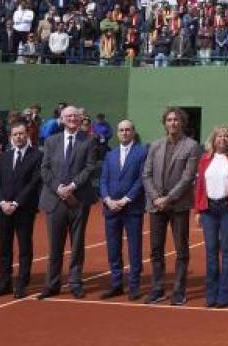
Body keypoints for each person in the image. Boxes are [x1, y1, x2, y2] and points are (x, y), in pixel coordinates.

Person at [38, 105, 99, 299]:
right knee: (55, 245)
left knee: (77, 244)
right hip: (54, 200)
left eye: (75, 116)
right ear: (62, 119)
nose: (72, 118)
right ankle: (52, 283)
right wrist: (59, 188)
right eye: (68, 116)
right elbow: (45, 169)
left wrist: (72, 186)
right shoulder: (50, 141)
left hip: (79, 199)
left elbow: (90, 167)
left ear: (80, 119)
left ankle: (75, 282)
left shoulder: (89, 140)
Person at [142, 106, 199, 305]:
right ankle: (157, 289)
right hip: (156, 206)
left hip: (178, 206)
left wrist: (169, 198)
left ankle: (179, 291)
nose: (173, 123)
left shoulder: (191, 146)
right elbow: (146, 174)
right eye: (169, 120)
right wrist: (156, 197)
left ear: (182, 123)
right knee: (155, 250)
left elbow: (188, 177)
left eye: (176, 120)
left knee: (181, 250)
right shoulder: (155, 145)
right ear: (164, 123)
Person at [193, 124, 228, 307]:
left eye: (225, 136)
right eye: (219, 136)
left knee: (227, 251)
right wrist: (198, 210)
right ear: (213, 140)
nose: (222, 139)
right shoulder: (205, 159)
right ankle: (211, 294)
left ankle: (224, 295)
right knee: (210, 252)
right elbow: (199, 185)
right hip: (208, 209)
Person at [0, 119, 42, 298]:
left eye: (21, 133)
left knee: (24, 247)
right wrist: (2, 202)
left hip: (24, 210)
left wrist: (16, 203)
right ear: (10, 137)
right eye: (15, 134)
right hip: (3, 209)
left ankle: (22, 283)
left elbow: (34, 183)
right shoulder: (3, 157)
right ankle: (4, 283)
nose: (18, 137)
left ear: (27, 135)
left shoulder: (37, 156)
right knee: (4, 248)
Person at [99, 119, 147, 300]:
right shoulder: (111, 154)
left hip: (132, 208)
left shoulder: (142, 152)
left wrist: (126, 199)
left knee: (134, 247)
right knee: (113, 248)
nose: (125, 133)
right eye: (121, 130)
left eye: (128, 130)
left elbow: (142, 179)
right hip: (111, 208)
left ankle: (134, 285)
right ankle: (116, 283)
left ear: (133, 132)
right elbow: (103, 180)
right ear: (117, 133)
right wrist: (107, 199)